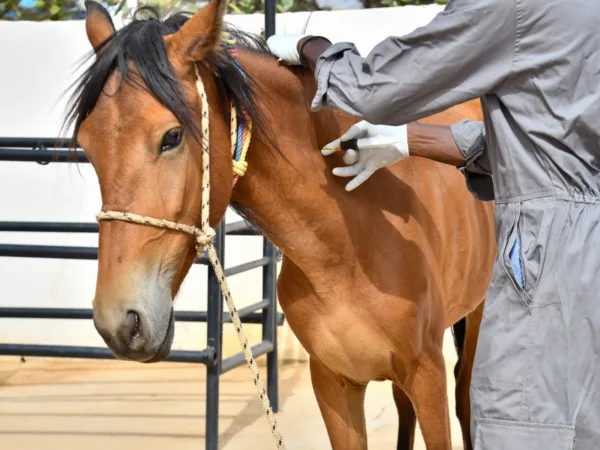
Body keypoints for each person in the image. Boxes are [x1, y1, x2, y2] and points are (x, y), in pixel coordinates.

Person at [267, 0, 600, 447]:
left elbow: (375, 89)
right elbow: (552, 143)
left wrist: (312, 47)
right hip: (583, 238)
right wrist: (410, 139)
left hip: (557, 251)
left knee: (524, 424)